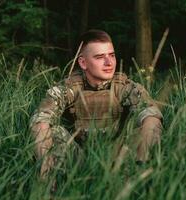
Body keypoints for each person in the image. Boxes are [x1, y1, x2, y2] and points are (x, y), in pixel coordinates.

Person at [30, 29, 162, 179]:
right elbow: (40, 120)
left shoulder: (124, 86)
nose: (109, 62)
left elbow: (152, 116)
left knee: (146, 127)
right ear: (83, 62)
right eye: (100, 57)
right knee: (52, 132)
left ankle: (137, 185)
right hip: (79, 161)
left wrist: (142, 161)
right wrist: (45, 163)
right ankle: (51, 189)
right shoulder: (70, 87)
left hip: (119, 159)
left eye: (111, 55)